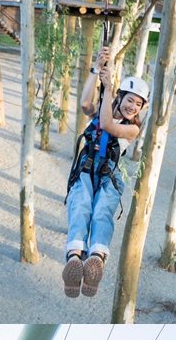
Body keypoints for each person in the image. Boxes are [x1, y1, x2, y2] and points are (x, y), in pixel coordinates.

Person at [62, 45, 150, 298]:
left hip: (109, 174)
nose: (134, 107)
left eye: (139, 104)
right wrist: (96, 69)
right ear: (120, 98)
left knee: (102, 211)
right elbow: (85, 104)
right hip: (86, 168)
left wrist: (109, 86)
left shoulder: (133, 129)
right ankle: (75, 260)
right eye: (130, 100)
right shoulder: (104, 105)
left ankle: (96, 260)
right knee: (80, 206)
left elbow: (107, 125)